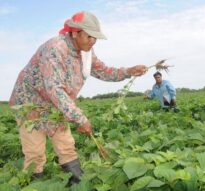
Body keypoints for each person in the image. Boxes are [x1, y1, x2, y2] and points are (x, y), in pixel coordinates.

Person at [9, 11, 146, 186]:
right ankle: (35, 185)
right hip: (29, 104)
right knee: (35, 152)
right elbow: (54, 89)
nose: (93, 41)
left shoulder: (86, 52)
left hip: (55, 105)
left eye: (95, 38)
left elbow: (103, 71)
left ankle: (78, 184)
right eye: (89, 36)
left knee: (66, 145)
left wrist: (128, 71)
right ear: (75, 33)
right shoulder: (55, 48)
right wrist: (80, 118)